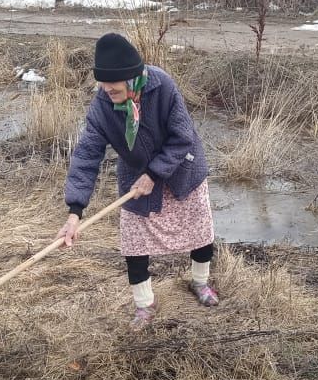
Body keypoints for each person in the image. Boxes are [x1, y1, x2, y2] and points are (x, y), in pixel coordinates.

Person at [57, 33, 218, 331]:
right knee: (134, 245)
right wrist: (74, 211)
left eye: (112, 84)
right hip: (136, 178)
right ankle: (145, 306)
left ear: (132, 78)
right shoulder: (102, 106)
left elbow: (182, 136)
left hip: (182, 168)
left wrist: (155, 173)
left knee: (199, 233)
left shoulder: (162, 85)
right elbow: (86, 155)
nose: (106, 90)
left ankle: (200, 283)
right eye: (102, 83)